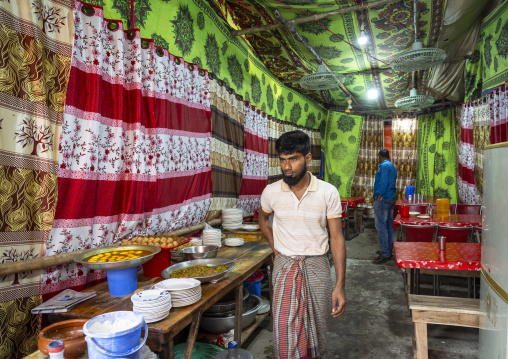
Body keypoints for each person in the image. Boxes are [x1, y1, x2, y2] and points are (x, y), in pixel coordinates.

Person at [258, 130, 347, 359]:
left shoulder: (328, 192)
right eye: (282, 160)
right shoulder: (271, 192)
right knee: (284, 327)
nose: (287, 167)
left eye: (294, 159)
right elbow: (263, 219)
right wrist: (275, 247)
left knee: (316, 326)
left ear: (308, 158)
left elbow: (336, 238)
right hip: (284, 266)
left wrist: (340, 285)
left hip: (317, 266)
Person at [372, 149, 398, 264]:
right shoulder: (392, 166)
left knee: (381, 227)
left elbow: (383, 182)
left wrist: (378, 197)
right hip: (391, 198)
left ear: (380, 156)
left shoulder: (383, 166)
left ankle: (385, 253)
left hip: (383, 198)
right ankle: (388, 250)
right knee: (389, 226)